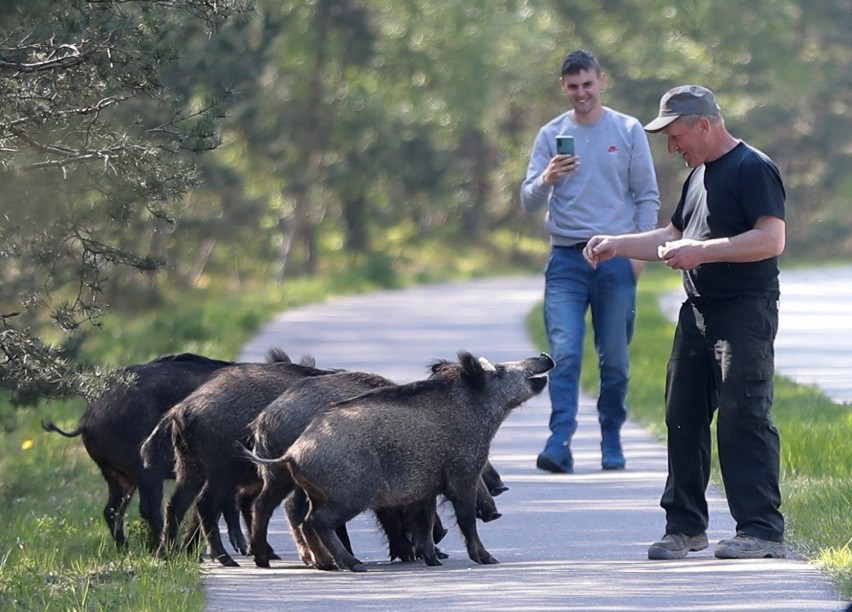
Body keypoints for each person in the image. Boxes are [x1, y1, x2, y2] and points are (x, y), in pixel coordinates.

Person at [583, 85, 787, 559]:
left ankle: (760, 530)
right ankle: (685, 528)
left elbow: (771, 238)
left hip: (744, 310)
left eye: (676, 136)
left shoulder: (753, 168)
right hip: (696, 312)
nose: (673, 147)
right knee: (683, 417)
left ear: (704, 123)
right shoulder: (697, 177)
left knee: (744, 415)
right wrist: (617, 243)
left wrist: (704, 251)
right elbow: (674, 236)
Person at [520, 49, 660, 473]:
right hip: (566, 258)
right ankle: (559, 441)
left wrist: (639, 254)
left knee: (614, 355)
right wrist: (548, 178)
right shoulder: (551, 134)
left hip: (616, 255)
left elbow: (647, 196)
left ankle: (611, 435)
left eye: (587, 84)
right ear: (563, 87)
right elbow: (528, 201)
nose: (581, 93)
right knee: (563, 351)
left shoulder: (627, 129)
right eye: (572, 86)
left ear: (602, 80)